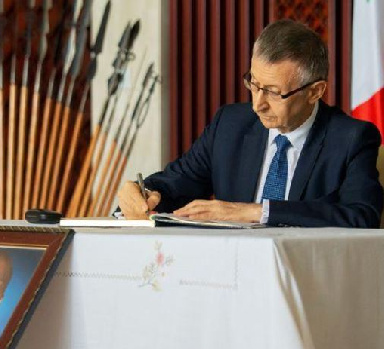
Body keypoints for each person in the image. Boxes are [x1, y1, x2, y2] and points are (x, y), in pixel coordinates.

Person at [118, 20, 383, 228]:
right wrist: (145, 193)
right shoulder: (230, 125)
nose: (258, 104)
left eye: (274, 92)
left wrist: (258, 212)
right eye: (254, 85)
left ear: (315, 91)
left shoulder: (351, 138)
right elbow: (177, 183)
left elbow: (361, 215)